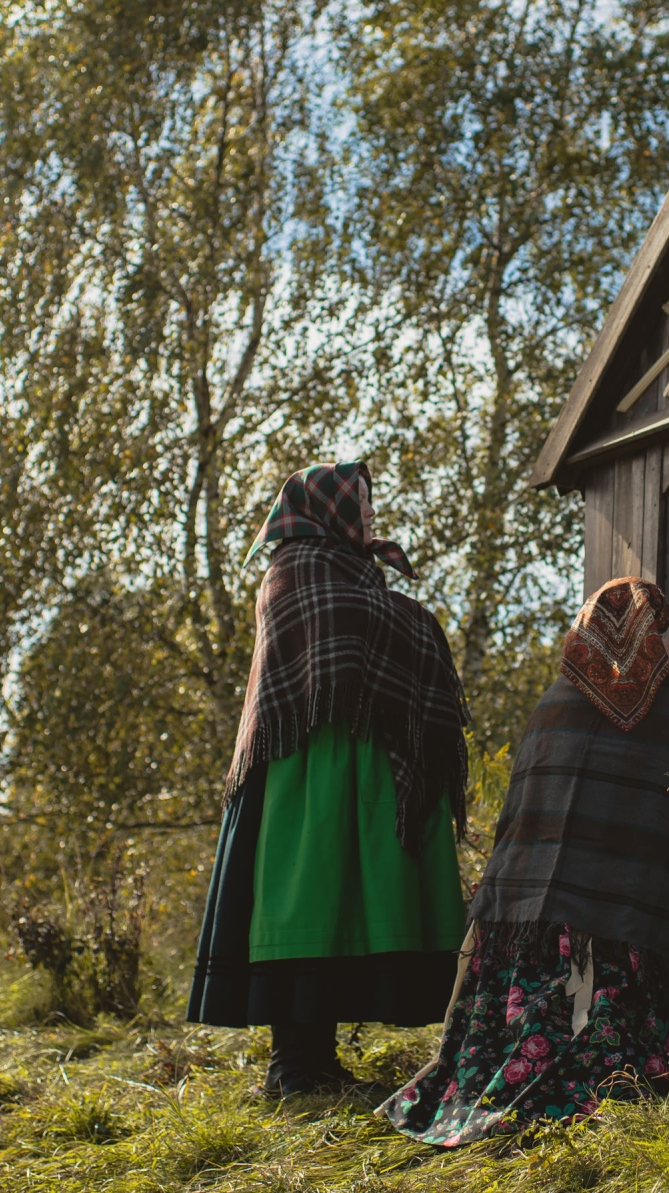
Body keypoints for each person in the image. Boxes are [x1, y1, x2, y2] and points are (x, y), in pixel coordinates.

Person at [379, 577, 669, 1145]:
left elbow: (514, 825)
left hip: (526, 939)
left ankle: (511, 1066)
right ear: (655, 635)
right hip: (638, 942)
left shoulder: (551, 706)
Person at [186, 461, 470, 1097]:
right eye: (359, 502)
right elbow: (346, 627)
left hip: (355, 761)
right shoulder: (296, 570)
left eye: (369, 502)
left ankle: (317, 1064)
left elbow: (371, 624)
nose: (370, 514)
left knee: (340, 907)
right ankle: (292, 1067)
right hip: (304, 769)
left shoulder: (354, 572)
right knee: (307, 905)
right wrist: (416, 622)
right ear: (325, 510)